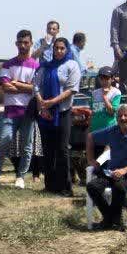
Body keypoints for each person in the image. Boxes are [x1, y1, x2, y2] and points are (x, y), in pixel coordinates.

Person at [86, 104, 127, 230]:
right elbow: (90, 137)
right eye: (120, 115)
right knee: (92, 186)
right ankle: (110, 217)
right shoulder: (112, 131)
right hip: (111, 172)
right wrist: (91, 160)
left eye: (126, 115)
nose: (123, 118)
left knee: (119, 187)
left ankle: (113, 220)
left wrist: (125, 170)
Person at [0, 30, 40, 189]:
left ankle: (20, 177)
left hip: (28, 112)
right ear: (16, 43)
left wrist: (17, 84)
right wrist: (26, 87)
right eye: (20, 42)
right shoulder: (7, 64)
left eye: (26, 43)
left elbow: (36, 89)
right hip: (10, 111)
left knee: (27, 146)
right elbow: (5, 86)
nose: (23, 46)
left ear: (31, 44)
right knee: (4, 142)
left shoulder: (36, 66)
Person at [36, 37, 82, 196]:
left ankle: (65, 186)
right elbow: (37, 86)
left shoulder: (72, 65)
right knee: (48, 149)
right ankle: (50, 184)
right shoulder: (46, 66)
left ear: (67, 49)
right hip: (46, 112)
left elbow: (71, 89)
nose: (59, 51)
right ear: (53, 49)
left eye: (62, 48)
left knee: (62, 149)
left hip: (63, 112)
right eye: (56, 48)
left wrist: (52, 102)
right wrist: (43, 104)